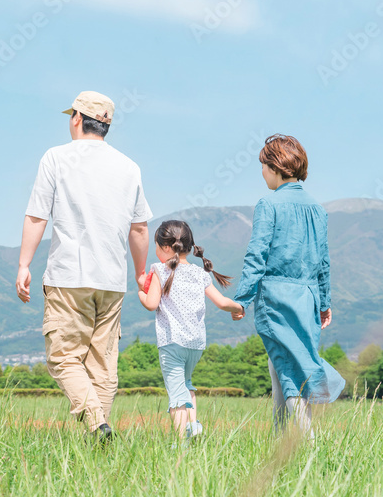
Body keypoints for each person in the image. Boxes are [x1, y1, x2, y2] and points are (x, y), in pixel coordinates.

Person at [16, 91, 153, 442]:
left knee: (63, 358)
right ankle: (100, 440)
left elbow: (36, 215)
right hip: (112, 279)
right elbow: (139, 228)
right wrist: (140, 272)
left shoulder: (56, 157)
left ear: (77, 118)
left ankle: (97, 423)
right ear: (106, 125)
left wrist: (24, 264)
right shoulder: (129, 166)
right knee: (103, 368)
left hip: (68, 276)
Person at [231, 134, 346, 436]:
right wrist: (324, 302)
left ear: (275, 165)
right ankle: (281, 443)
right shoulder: (318, 209)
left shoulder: (268, 204)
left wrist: (241, 299)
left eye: (263, 166)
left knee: (289, 368)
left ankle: (308, 445)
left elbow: (257, 255)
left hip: (277, 297)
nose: (262, 172)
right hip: (307, 298)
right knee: (284, 364)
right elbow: (323, 261)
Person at [138, 220, 244, 439]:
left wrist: (140, 292)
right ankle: (193, 426)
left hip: (171, 343)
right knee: (186, 384)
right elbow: (222, 302)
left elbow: (150, 304)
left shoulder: (160, 270)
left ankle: (180, 442)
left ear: (166, 247)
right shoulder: (200, 273)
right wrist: (238, 307)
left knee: (176, 393)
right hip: (195, 345)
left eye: (156, 246)